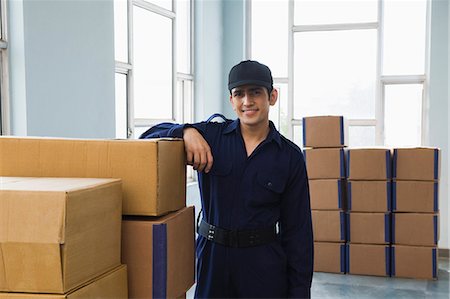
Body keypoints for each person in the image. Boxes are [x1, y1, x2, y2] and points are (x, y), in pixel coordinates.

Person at [141, 60, 313, 298]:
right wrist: (185, 131)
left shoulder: (289, 157)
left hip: (263, 263)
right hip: (213, 259)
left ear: (272, 96)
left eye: (255, 93)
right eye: (239, 94)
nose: (247, 101)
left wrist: (300, 293)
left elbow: (298, 233)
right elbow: (146, 138)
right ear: (231, 100)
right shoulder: (211, 136)